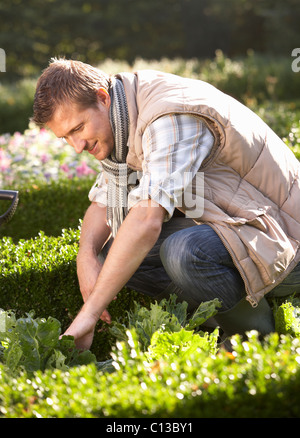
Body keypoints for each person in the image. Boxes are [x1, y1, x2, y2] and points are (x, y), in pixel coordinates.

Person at [32, 58, 300, 351]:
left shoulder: (169, 117)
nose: (77, 146)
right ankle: (221, 317)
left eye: (78, 128)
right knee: (117, 256)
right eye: (66, 137)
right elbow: (102, 202)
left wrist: (90, 314)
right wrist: (86, 256)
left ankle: (258, 337)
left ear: (102, 98)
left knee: (185, 252)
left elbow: (147, 221)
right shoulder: (124, 112)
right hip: (247, 226)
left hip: (289, 240)